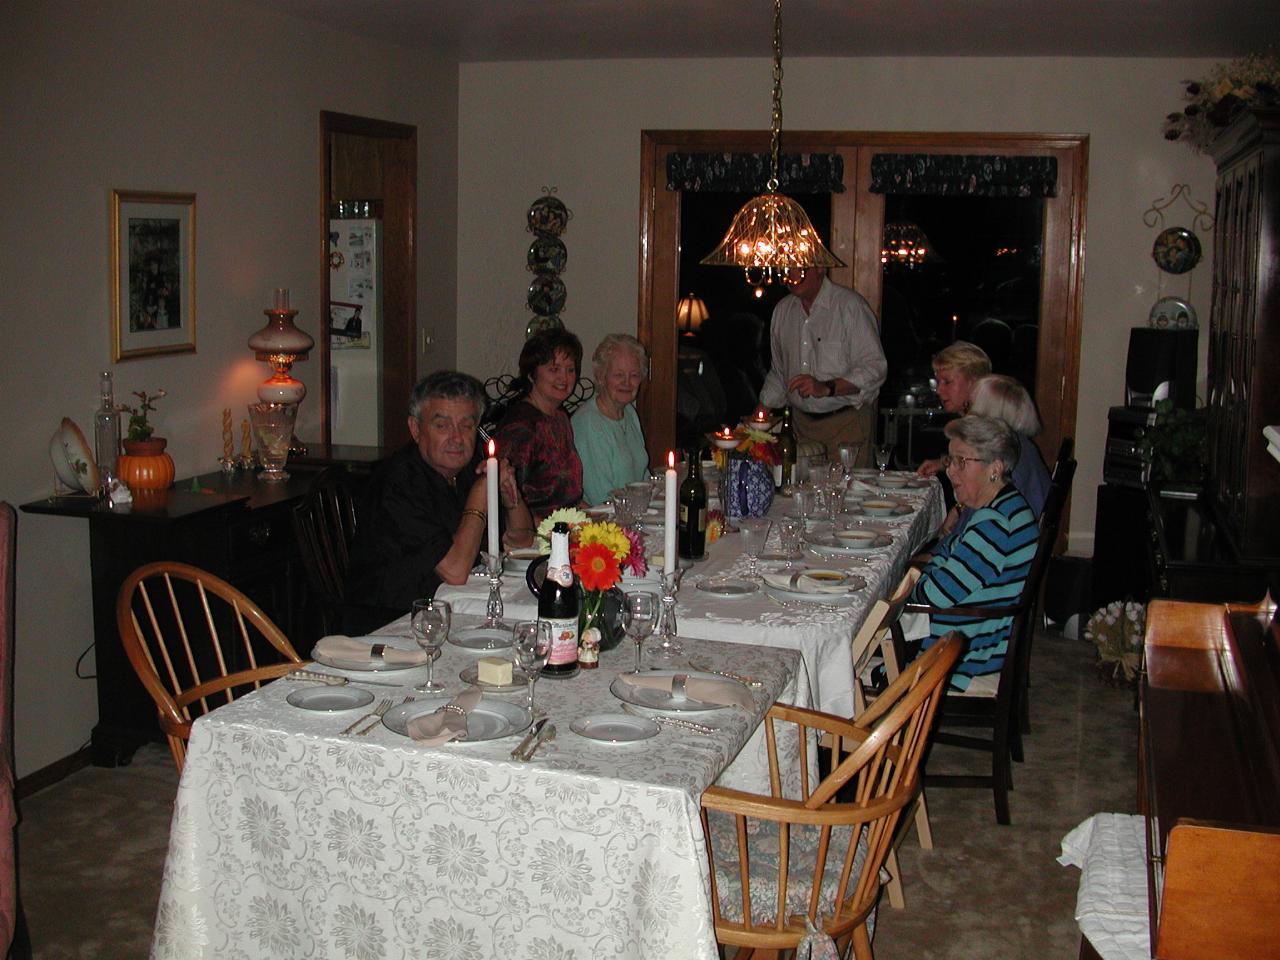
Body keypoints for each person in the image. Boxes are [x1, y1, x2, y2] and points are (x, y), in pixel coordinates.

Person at [344, 371, 534, 634]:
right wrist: (482, 492)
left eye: (466, 426)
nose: (456, 438)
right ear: (415, 429)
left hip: (451, 612)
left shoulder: (466, 470)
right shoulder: (398, 482)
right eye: (442, 426)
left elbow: (521, 541)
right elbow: (455, 571)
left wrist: (507, 493)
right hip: (389, 625)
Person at [910, 415, 1038, 691]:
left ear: (995, 468)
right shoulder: (1003, 506)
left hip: (967, 657)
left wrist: (904, 584)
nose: (950, 472)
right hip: (977, 638)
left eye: (961, 462)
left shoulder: (994, 525)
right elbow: (947, 561)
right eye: (950, 461)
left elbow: (934, 595)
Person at [758, 267, 887, 464]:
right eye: (786, 268)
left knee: (845, 493)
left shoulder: (850, 306)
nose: (791, 275)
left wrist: (826, 387)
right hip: (800, 428)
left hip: (846, 426)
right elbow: (779, 373)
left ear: (820, 267)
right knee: (798, 492)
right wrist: (758, 417)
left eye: (799, 268)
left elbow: (875, 369)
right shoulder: (783, 311)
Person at [923, 373, 1051, 559]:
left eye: (973, 405)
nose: (969, 413)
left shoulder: (1005, 464)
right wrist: (960, 508)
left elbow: (967, 547)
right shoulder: (1023, 447)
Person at [494, 328, 585, 516]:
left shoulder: (560, 417)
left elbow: (570, 495)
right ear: (531, 374)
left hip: (569, 524)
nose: (564, 378)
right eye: (554, 369)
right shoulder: (520, 426)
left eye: (570, 370)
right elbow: (507, 501)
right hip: (535, 533)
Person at [573, 333, 650, 505]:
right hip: (604, 524)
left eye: (634, 375)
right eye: (618, 375)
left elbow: (643, 479)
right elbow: (601, 498)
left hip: (634, 516)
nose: (627, 383)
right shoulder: (588, 423)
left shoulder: (629, 412)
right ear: (601, 376)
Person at [916, 341, 992, 478]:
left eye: (947, 382)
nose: (939, 390)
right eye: (938, 382)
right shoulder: (977, 418)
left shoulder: (988, 427)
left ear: (974, 382)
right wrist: (943, 463)